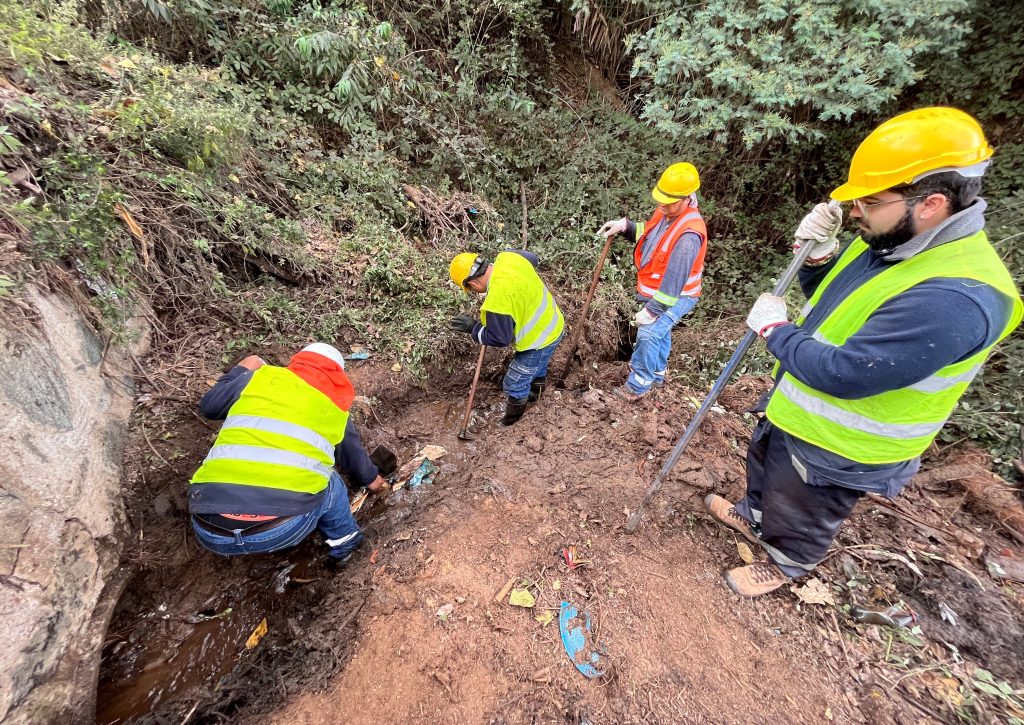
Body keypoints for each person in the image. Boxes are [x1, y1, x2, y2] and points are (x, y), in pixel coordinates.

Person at [704, 107, 1023, 597]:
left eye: (870, 201)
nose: (856, 211)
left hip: (843, 444)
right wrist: (818, 257)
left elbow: (846, 373)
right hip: (798, 406)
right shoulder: (889, 240)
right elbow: (832, 303)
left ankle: (788, 561)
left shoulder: (958, 297)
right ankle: (754, 516)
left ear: (931, 204)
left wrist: (774, 330)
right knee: (769, 471)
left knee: (805, 505)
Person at [188, 343, 388, 565]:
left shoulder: (256, 379)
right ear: (337, 376)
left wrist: (240, 370)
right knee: (330, 480)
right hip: (280, 530)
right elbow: (353, 458)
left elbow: (209, 406)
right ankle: (347, 546)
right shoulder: (333, 408)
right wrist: (374, 481)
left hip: (209, 529)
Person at [598, 162, 708, 401]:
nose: (662, 205)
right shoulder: (667, 211)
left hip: (678, 295)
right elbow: (649, 234)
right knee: (660, 332)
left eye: (668, 202)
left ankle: (638, 385)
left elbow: (673, 284)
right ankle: (657, 375)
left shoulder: (689, 234)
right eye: (661, 200)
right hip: (660, 291)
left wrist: (652, 311)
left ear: (686, 198)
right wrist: (625, 227)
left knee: (649, 333)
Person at [449, 250, 564, 426]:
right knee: (537, 367)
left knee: (514, 383)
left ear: (473, 282)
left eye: (471, 289)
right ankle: (535, 395)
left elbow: (500, 338)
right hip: (553, 323)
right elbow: (533, 259)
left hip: (538, 341)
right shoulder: (509, 257)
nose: (474, 292)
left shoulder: (498, 300)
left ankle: (512, 423)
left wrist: (473, 327)